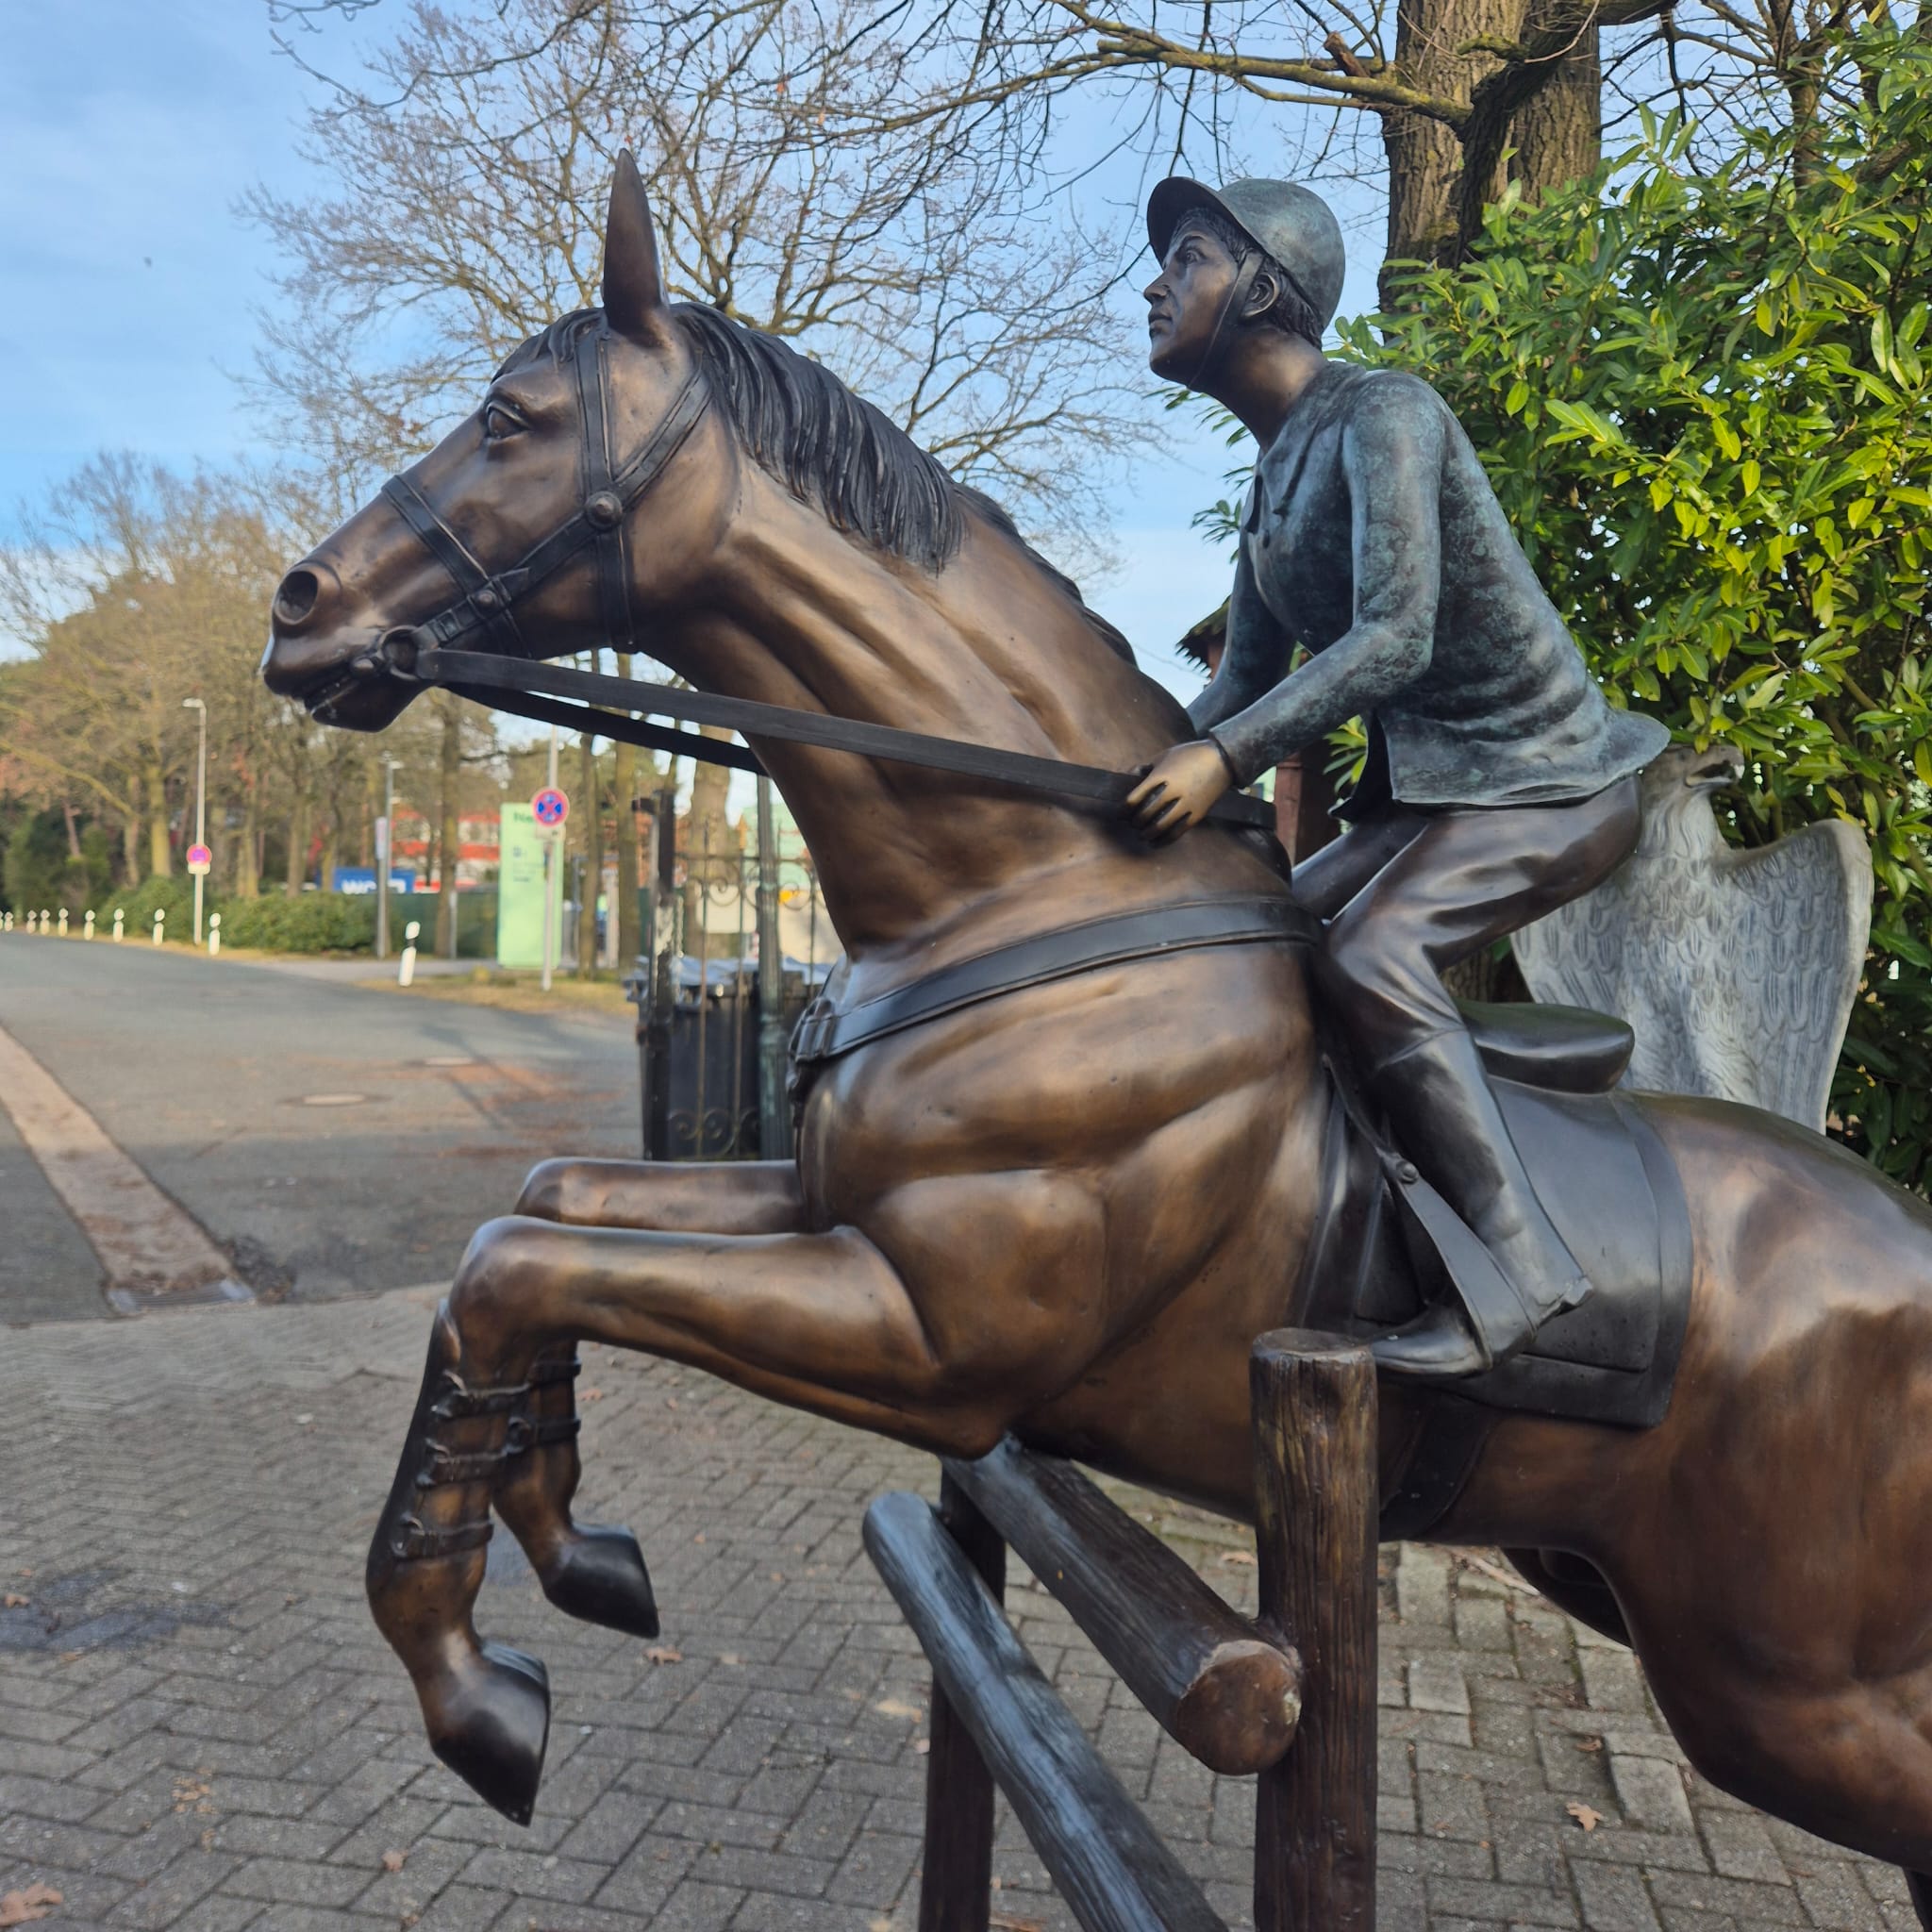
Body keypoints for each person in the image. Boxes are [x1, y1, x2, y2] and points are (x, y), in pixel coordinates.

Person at [1124, 176, 1668, 1381]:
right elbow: (1231, 694)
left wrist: (1219, 759)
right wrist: (1111, 758)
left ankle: (1520, 1266)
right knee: (1258, 927)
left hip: (1546, 781)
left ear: (1260, 287)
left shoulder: (1386, 412)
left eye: (1188, 258)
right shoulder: (1270, 487)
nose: (1155, 284)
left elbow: (1393, 638)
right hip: (1437, 795)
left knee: (1370, 958)